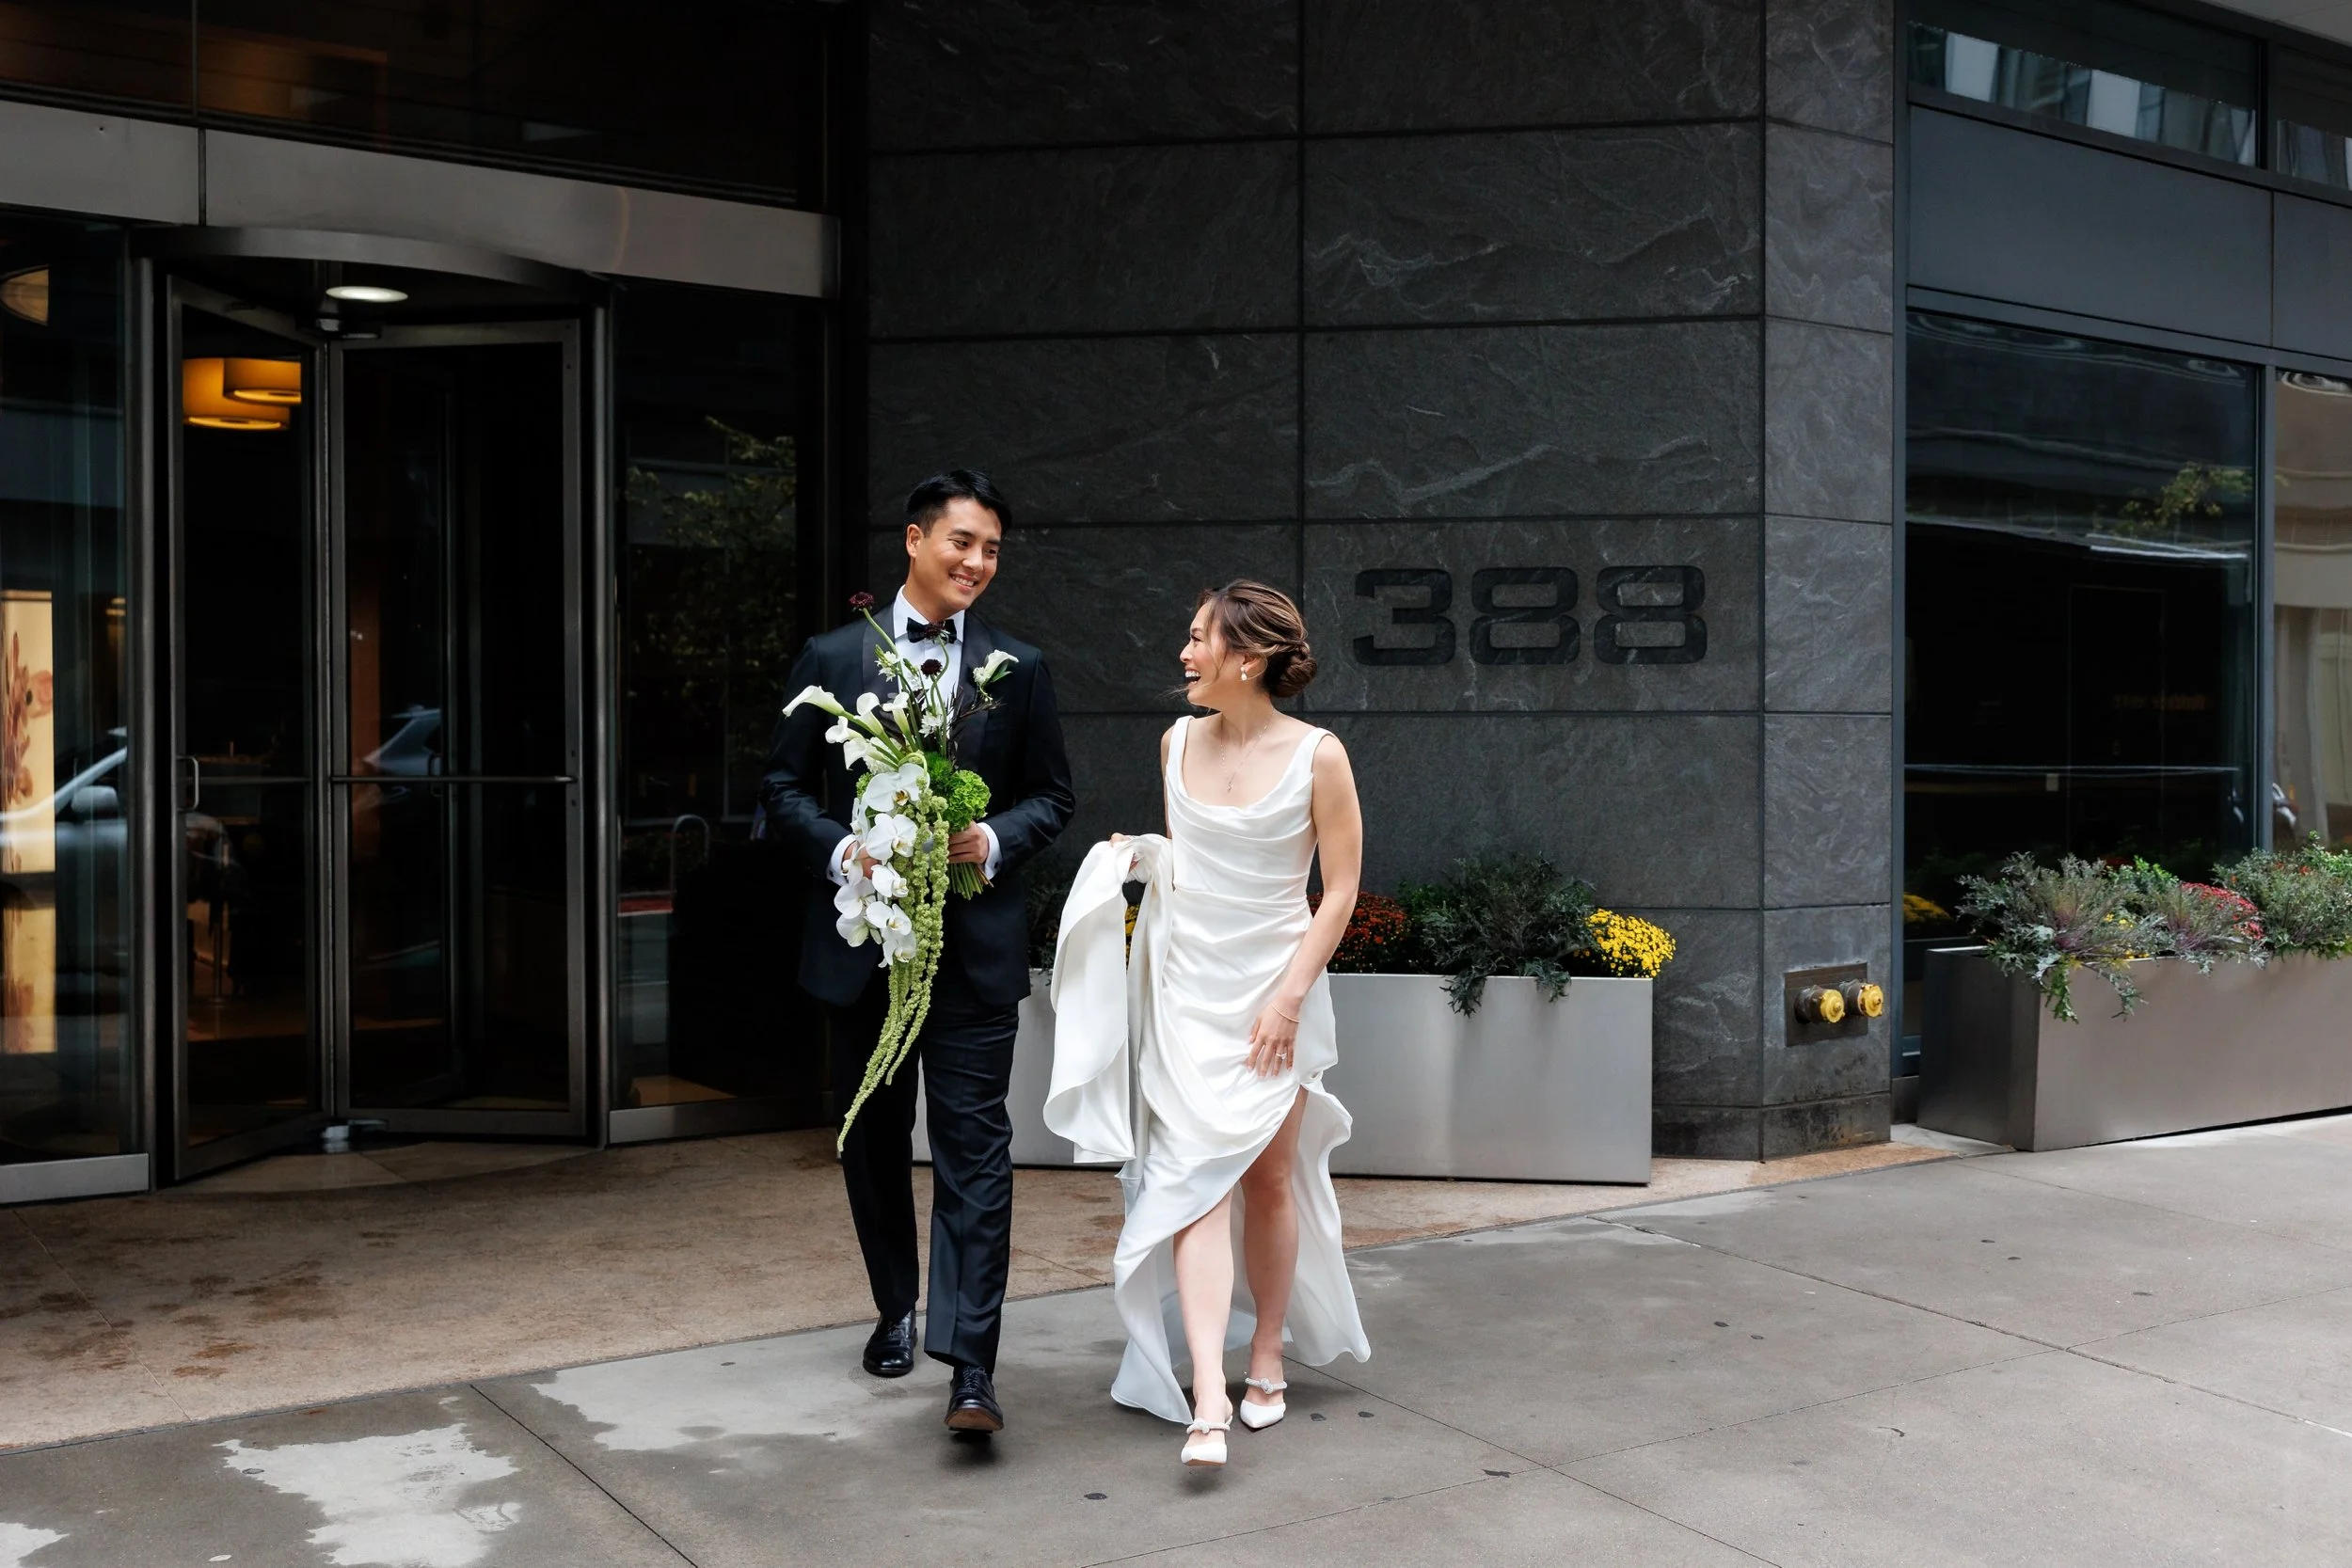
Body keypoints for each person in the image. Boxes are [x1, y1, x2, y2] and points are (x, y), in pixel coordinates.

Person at [758, 469, 1075, 1435]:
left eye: (991, 550)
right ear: (913, 539)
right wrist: (843, 846)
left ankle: (970, 1360)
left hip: (972, 947)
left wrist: (993, 837)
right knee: (872, 1137)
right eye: (962, 542)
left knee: (977, 1149)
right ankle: (896, 1305)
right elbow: (781, 787)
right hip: (866, 941)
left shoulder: (1018, 666)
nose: (977, 563)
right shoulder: (834, 653)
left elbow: (1053, 794)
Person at [1045, 579, 1371, 1469]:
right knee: (1191, 1186)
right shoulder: (1174, 740)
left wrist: (1290, 998)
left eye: (1198, 640)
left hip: (1276, 989)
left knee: (1267, 1180)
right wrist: (1142, 855)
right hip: (1188, 993)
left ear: (1249, 657)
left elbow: (1337, 888)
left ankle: (1266, 1351)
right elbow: (1193, 860)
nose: (1185, 655)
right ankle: (1207, 1394)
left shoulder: (1319, 756)